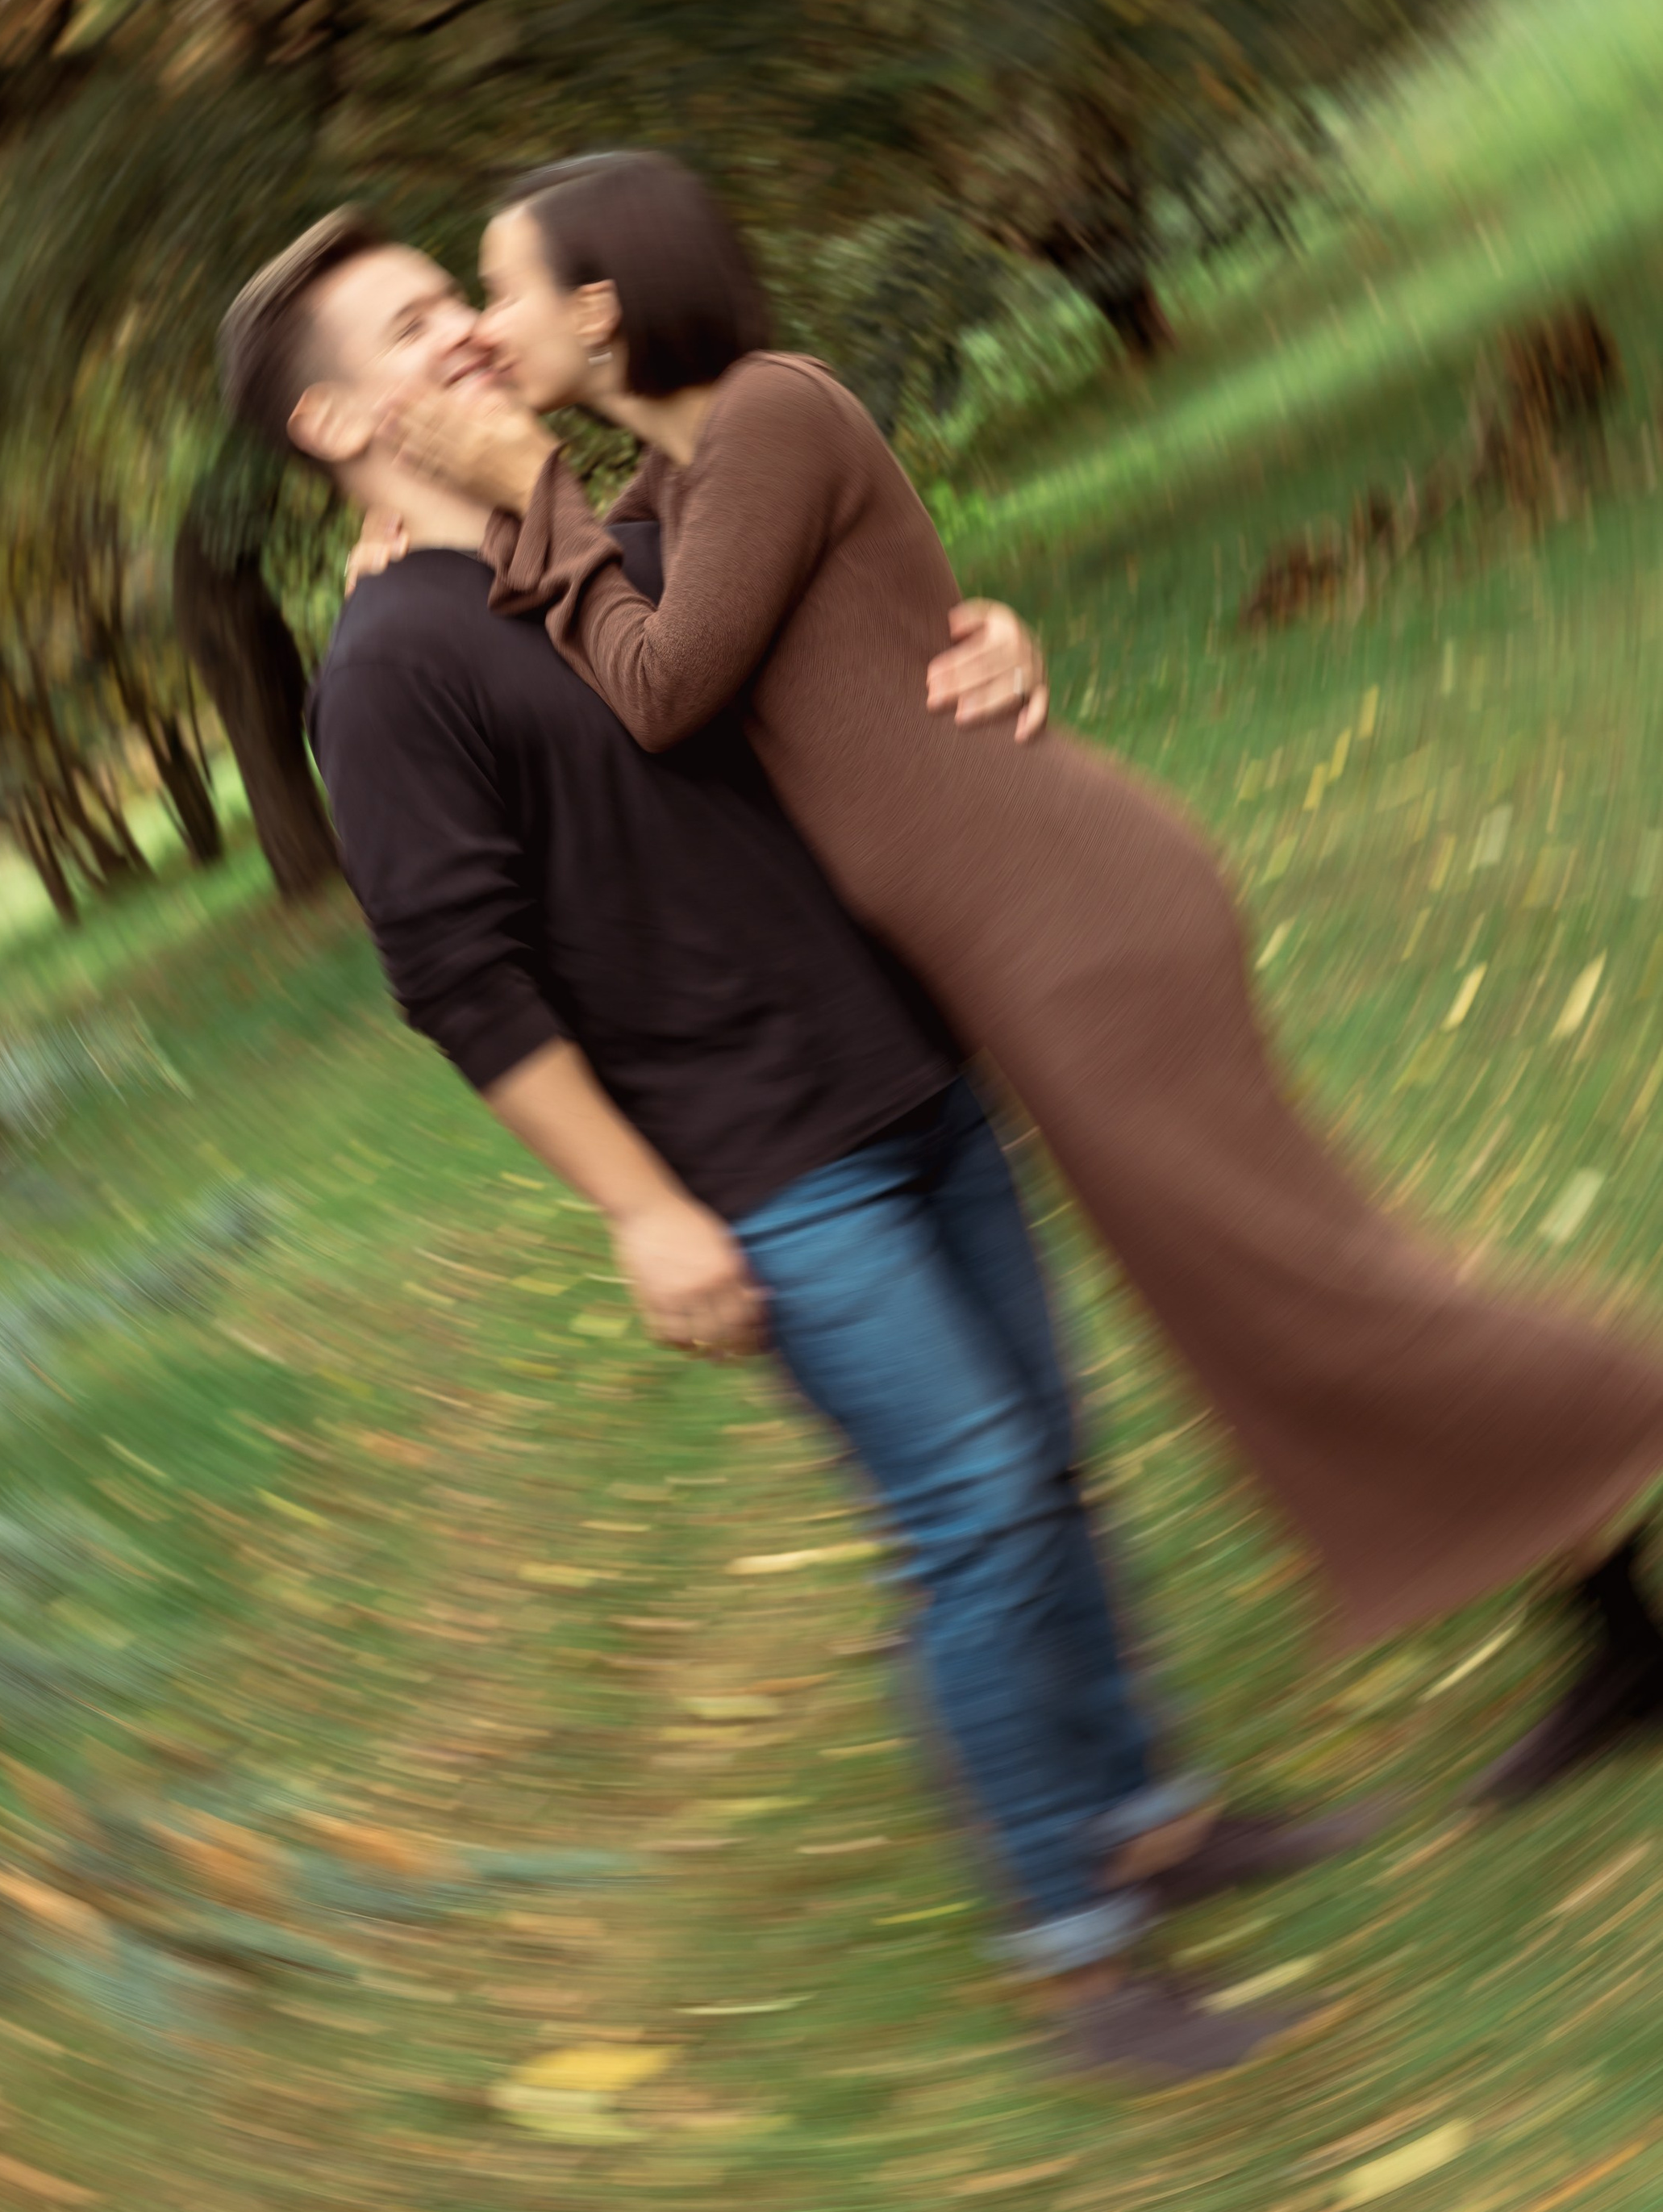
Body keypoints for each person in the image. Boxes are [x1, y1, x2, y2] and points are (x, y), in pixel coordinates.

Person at [217, 213, 1369, 2086]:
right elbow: (458, 979)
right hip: (757, 1156)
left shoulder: (611, 539)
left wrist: (994, 634)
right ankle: (1078, 1956)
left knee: (1048, 1457)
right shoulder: (386, 674)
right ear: (336, 419)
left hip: (906, 1060)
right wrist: (641, 1207)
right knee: (973, 1501)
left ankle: (1154, 1815)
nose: (467, 339)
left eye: (461, 302)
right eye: (418, 327)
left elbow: (812, 655)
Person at [373, 149, 1663, 1808]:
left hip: (1078, 926)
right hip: (1017, 952)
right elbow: (585, 630)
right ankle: (1618, 1630)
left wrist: (521, 484)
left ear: (600, 307)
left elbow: (661, 681)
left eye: (499, 288)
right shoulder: (675, 489)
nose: (484, 326)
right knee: (1270, 1305)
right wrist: (417, 549)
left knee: (1305, 1282)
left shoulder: (771, 412)